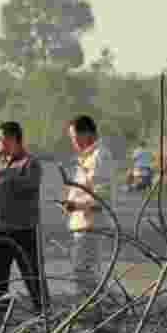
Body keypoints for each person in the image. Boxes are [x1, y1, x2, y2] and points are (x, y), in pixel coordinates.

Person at [0, 120, 45, 315]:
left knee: (32, 275)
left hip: (25, 229)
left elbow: (28, 185)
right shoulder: (2, 164)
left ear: (12, 139)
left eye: (0, 139)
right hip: (2, 227)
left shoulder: (30, 163)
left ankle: (43, 313)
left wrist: (4, 176)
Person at [60, 115, 114, 304]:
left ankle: (94, 311)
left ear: (86, 134)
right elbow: (82, 189)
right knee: (84, 271)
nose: (72, 142)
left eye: (74, 137)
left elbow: (101, 196)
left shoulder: (100, 156)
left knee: (85, 271)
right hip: (81, 224)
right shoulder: (86, 156)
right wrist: (69, 201)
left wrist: (75, 205)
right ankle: (94, 310)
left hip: (91, 224)